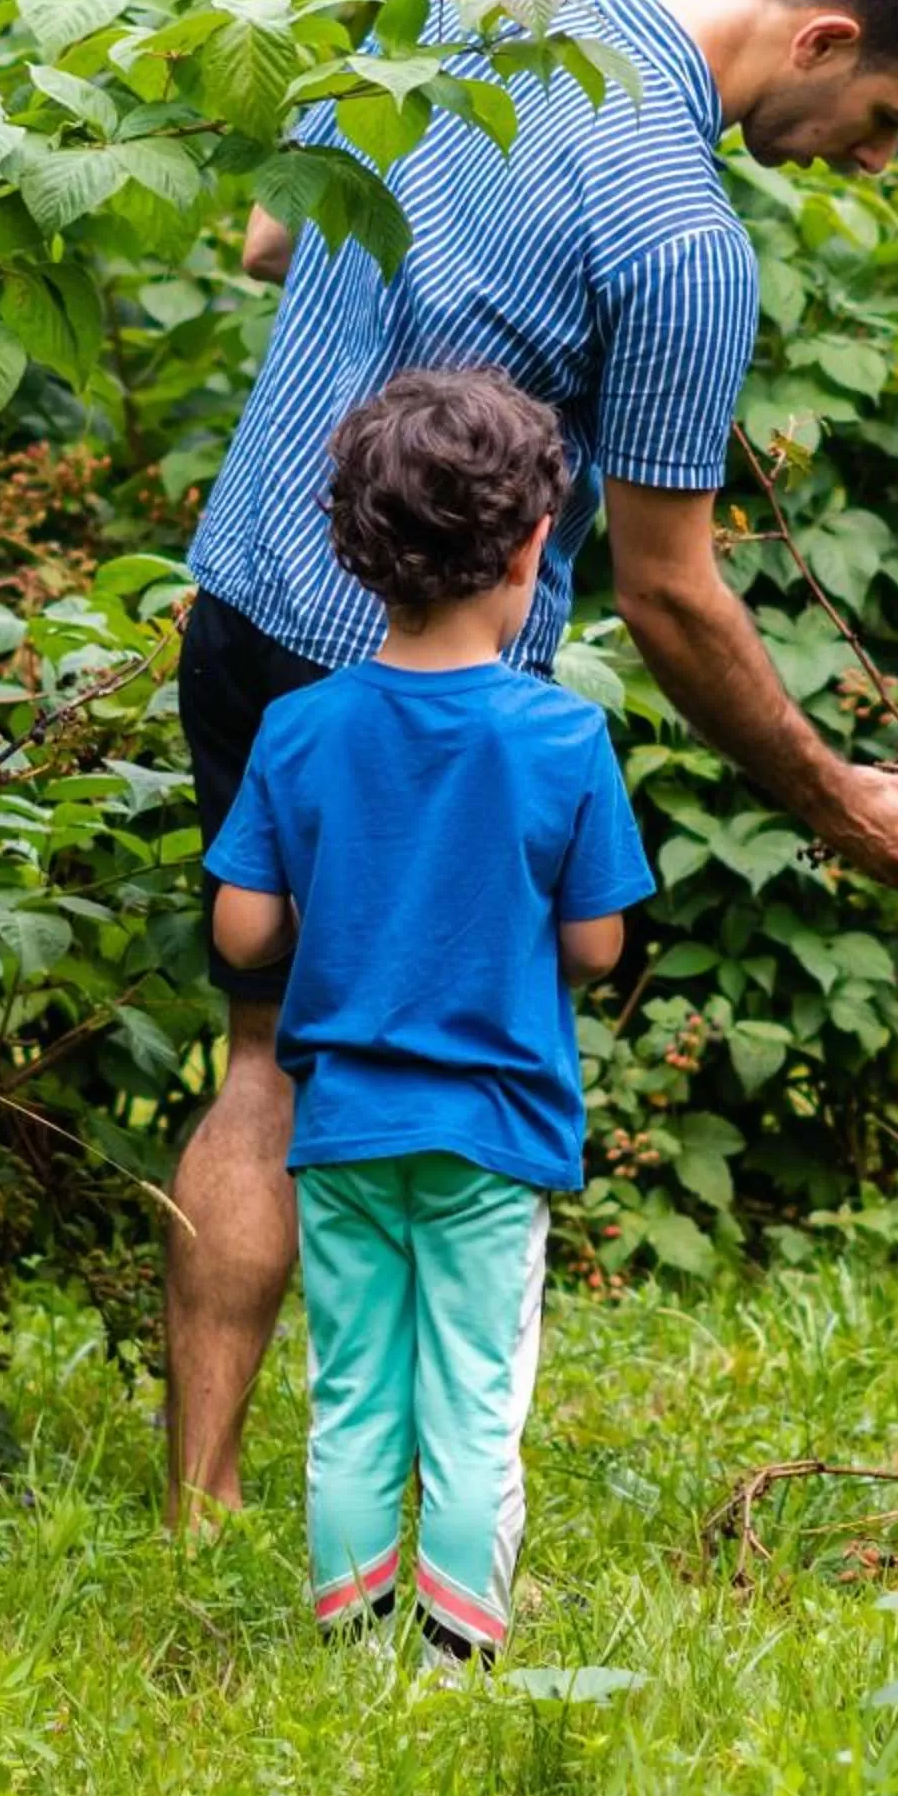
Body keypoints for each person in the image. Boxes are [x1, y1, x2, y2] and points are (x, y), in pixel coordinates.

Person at [170, 0, 898, 1525]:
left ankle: (201, 1509)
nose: (874, 160)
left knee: (260, 1060)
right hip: (436, 704)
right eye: (886, 121)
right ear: (825, 41)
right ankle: (437, 1516)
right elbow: (670, 592)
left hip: (243, 605)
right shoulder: (684, 237)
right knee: (455, 1099)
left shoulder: (480, 7)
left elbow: (273, 236)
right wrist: (834, 796)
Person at [203, 370, 651, 1653]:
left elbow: (241, 933)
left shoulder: (299, 728)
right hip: (492, 1133)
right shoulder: (563, 739)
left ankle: (351, 1646)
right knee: (472, 1401)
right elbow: (597, 946)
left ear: (353, 553)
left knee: (352, 1396)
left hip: (341, 1129)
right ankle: (458, 1655)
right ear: (529, 552)